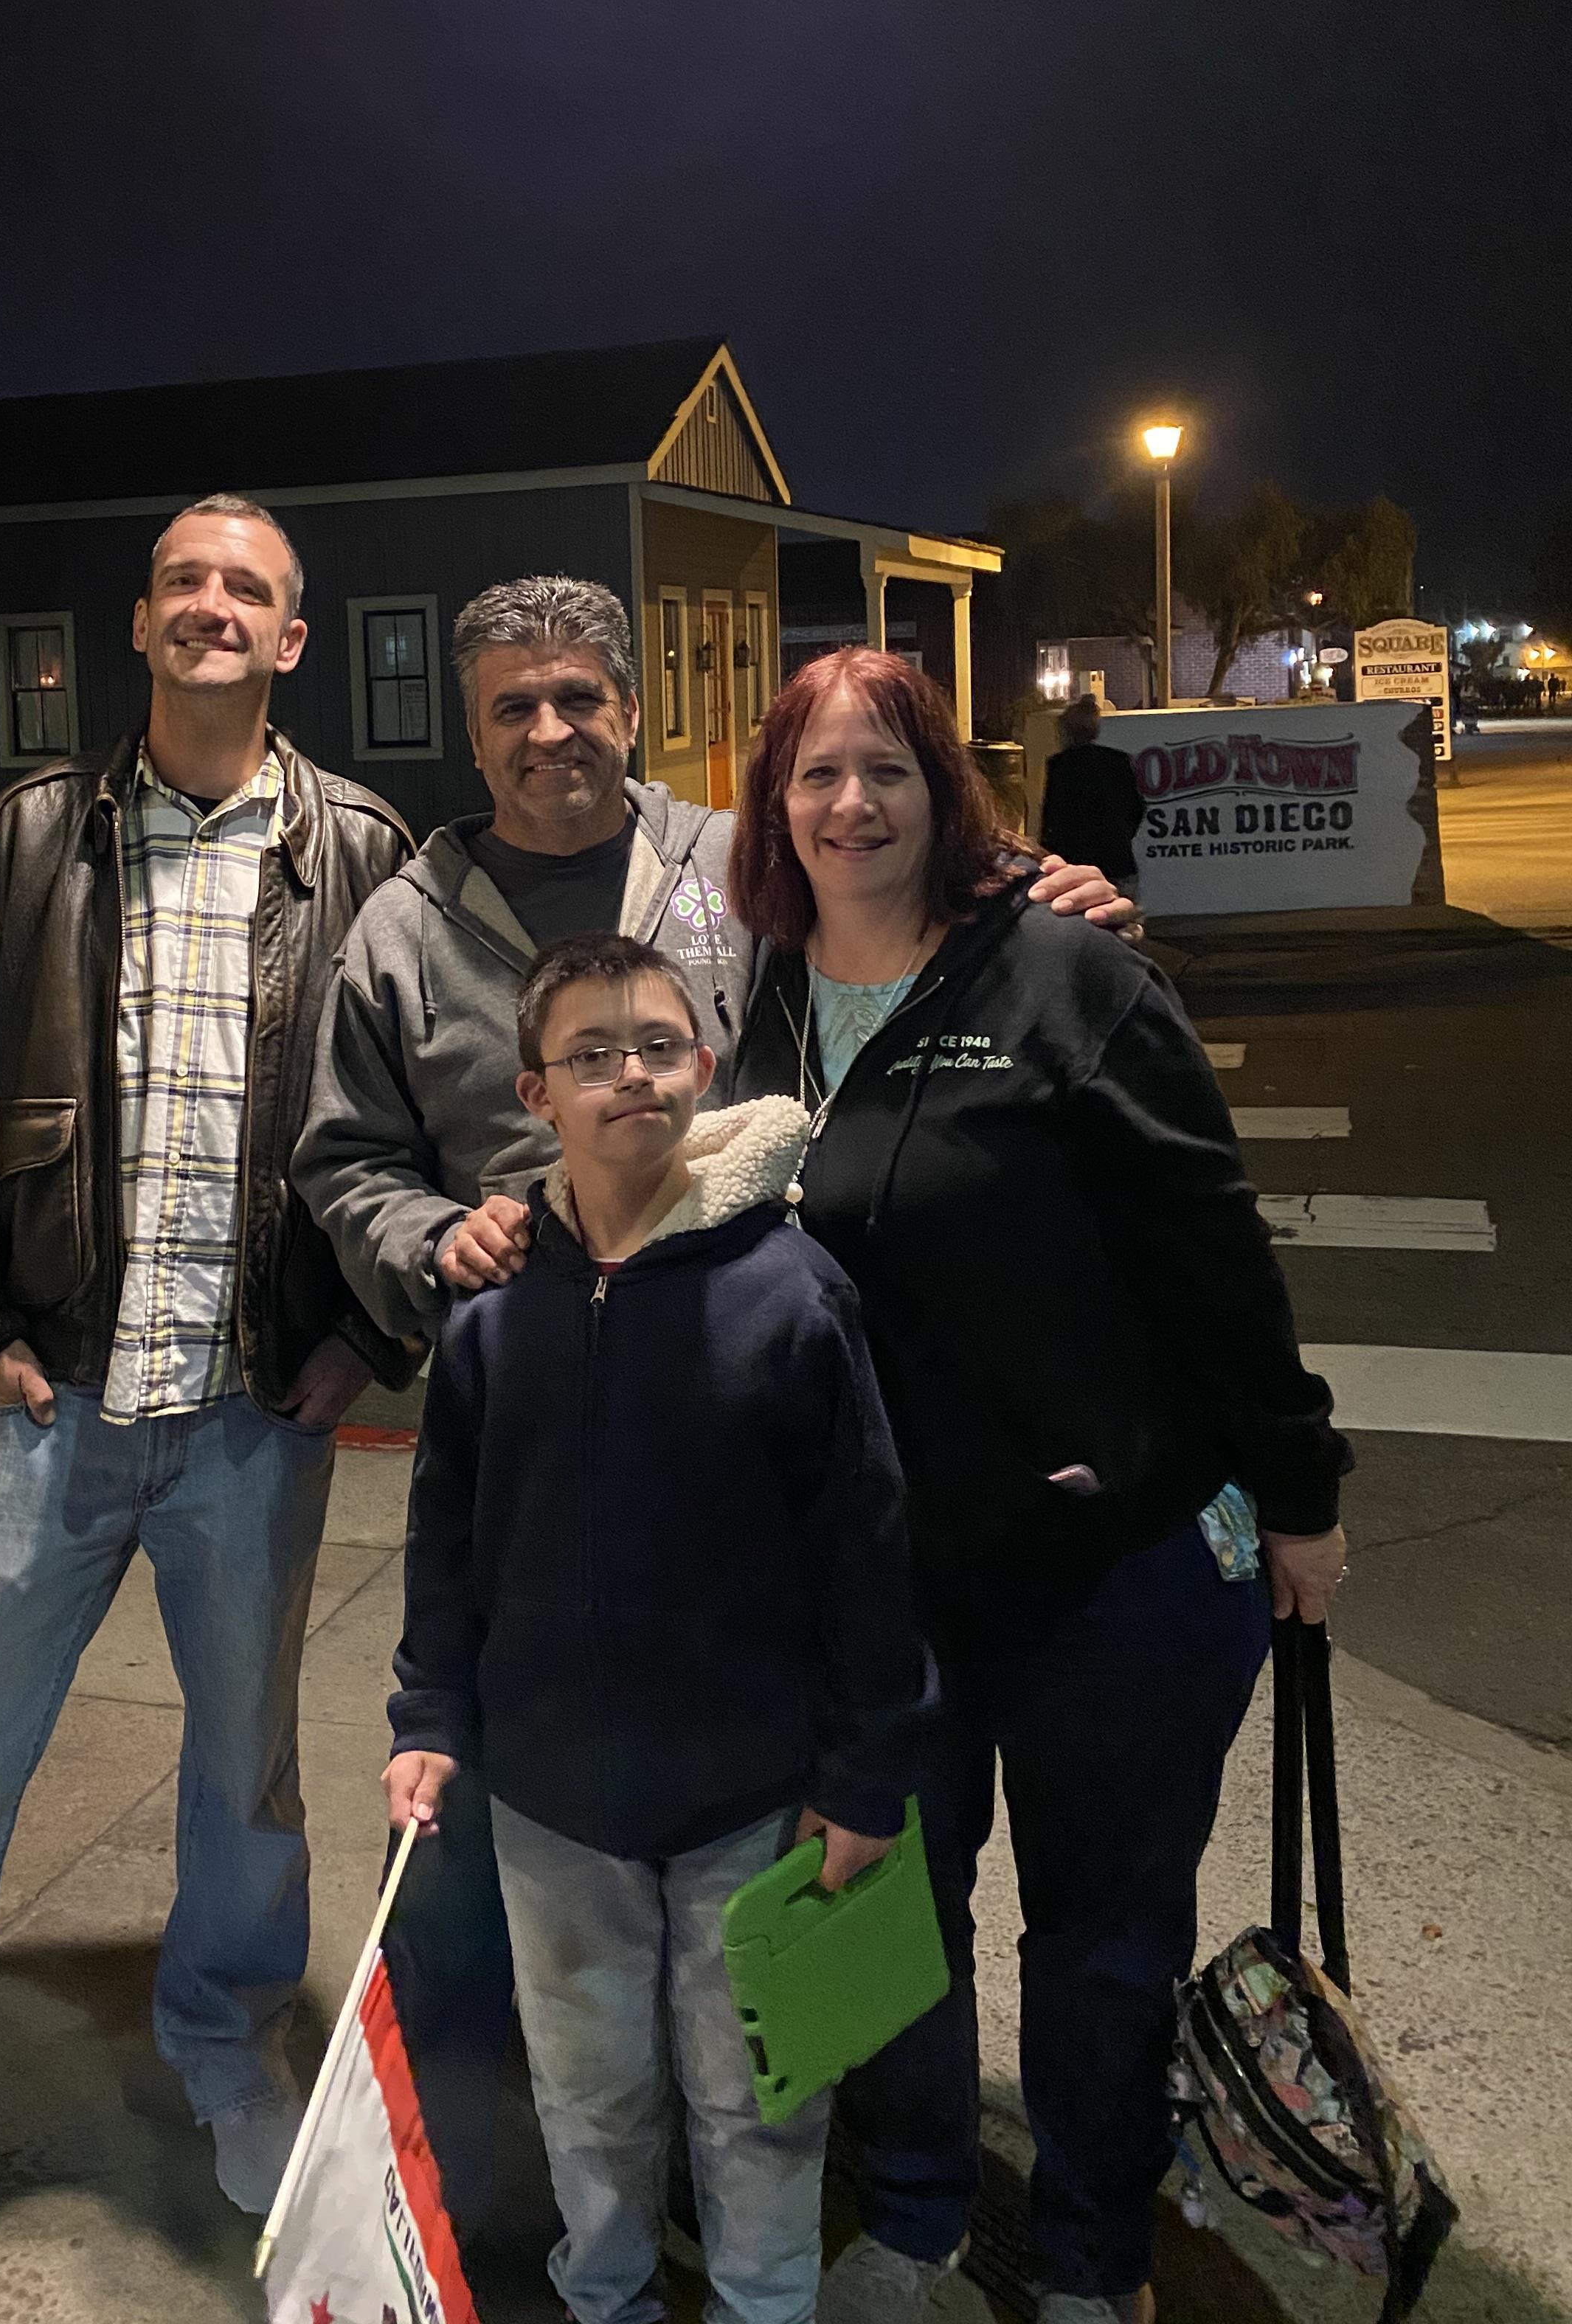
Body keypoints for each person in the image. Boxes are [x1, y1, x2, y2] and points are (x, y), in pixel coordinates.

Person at [294, 573, 1132, 2210]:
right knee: (529, 1851)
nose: (551, 733)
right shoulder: (404, 920)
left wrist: (1038, 896)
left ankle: (815, 2178)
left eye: (579, 698)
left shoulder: (729, 868)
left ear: (627, 706)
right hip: (533, 1414)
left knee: (805, 1815)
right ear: (472, 733)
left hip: (748, 1398)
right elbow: (344, 1155)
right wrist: (423, 1235)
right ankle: (543, 2195)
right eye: (513, 708)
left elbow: (896, 903)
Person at [0, 496, 413, 2307]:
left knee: (247, 1777)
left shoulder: (361, 850)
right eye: (188, 582)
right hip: (47, 1403)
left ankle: (227, 2051)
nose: (216, 609)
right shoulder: (35, 835)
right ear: (142, 623)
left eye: (253, 591)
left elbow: (429, 1115)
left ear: (294, 641)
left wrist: (365, 1340)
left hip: (249, 1417)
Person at [721, 648, 1351, 2324]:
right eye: (816, 775)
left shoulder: (1068, 977)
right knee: (873, 1929)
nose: (851, 804)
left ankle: (1087, 2258)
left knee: (1101, 1948)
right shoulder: (770, 997)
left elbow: (1215, 1260)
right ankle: (918, 2221)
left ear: (947, 794)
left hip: (1114, 1576)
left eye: (888, 773)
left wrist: (1298, 1499)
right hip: (881, 1597)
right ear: (775, 805)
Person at [384, 933, 936, 2324]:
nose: (628, 1074)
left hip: (747, 1798)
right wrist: (429, 1721)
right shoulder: (491, 1320)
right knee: (585, 2090)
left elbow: (866, 1550)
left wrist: (864, 1770)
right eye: (589, 1055)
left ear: (702, 1063)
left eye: (656, 1044)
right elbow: (445, 1543)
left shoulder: (790, 1295)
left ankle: (763, 2302)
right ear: (533, 1093)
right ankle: (607, 2291)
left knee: (760, 2095)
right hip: (551, 1803)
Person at [1039, 693, 1145, 885]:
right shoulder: (1118, 760)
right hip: (1117, 858)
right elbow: (1136, 807)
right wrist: (1120, 835)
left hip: (1075, 862)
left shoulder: (1059, 765)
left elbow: (1053, 815)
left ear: (1066, 731)